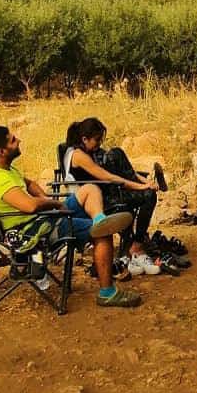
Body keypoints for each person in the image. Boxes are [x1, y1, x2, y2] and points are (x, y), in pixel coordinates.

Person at [0, 125, 141, 309]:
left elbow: (30, 184)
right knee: (103, 234)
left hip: (45, 217)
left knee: (89, 189)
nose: (19, 141)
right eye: (13, 140)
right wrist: (54, 204)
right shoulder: (0, 179)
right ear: (2, 151)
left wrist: (46, 199)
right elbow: (30, 206)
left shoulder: (7, 169)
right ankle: (107, 293)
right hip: (32, 230)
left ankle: (99, 219)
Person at [61, 118, 162, 277]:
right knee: (148, 196)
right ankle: (136, 245)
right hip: (90, 202)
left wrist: (145, 181)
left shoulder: (89, 151)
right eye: (97, 140)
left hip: (105, 193)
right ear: (84, 139)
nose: (99, 144)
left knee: (116, 153)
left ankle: (131, 247)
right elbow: (107, 176)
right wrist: (140, 187)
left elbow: (122, 172)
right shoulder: (79, 156)